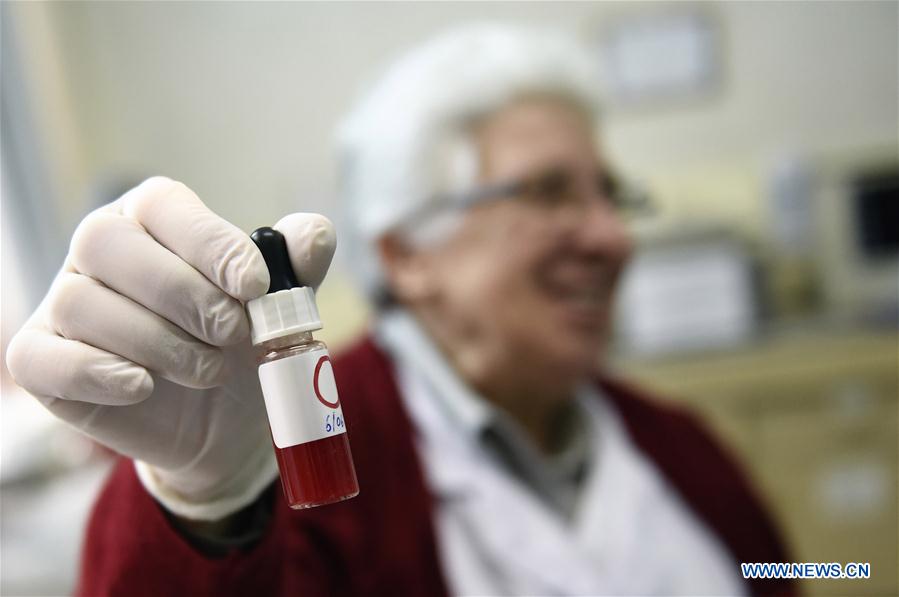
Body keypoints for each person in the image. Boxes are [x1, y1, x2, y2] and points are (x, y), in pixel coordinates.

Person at [6, 25, 793, 596]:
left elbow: (777, 569)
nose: (612, 236)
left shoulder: (676, 443)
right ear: (409, 255)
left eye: (609, 194)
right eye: (550, 192)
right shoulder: (311, 469)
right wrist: (206, 503)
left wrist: (854, 569)